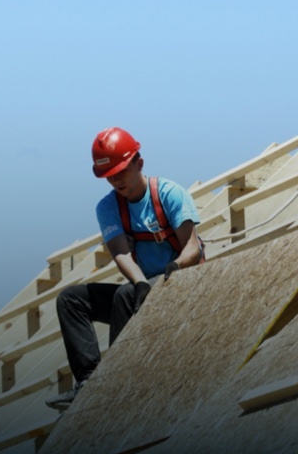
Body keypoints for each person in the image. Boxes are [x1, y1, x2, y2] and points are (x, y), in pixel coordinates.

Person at [46, 127, 204, 410]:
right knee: (71, 300)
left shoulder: (168, 193)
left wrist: (174, 268)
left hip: (183, 284)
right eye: (109, 175)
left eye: (121, 170)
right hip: (144, 288)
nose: (116, 179)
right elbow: (120, 252)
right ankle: (90, 382)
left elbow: (193, 248)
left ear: (139, 163)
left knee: (124, 296)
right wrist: (142, 283)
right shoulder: (107, 208)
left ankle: (118, 380)